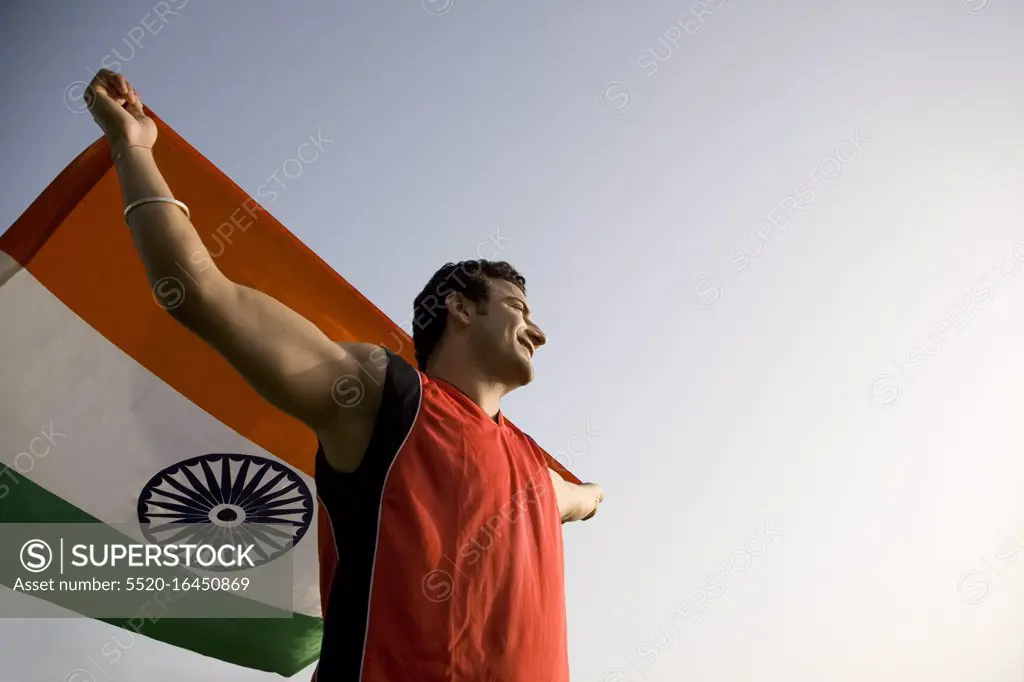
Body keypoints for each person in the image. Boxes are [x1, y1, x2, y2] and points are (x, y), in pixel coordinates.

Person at [84, 68, 604, 681]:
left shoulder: (539, 474)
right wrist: (133, 147)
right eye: (518, 309)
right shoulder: (384, 398)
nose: (538, 331)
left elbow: (588, 500)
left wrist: (591, 497)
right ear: (461, 309)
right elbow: (198, 292)